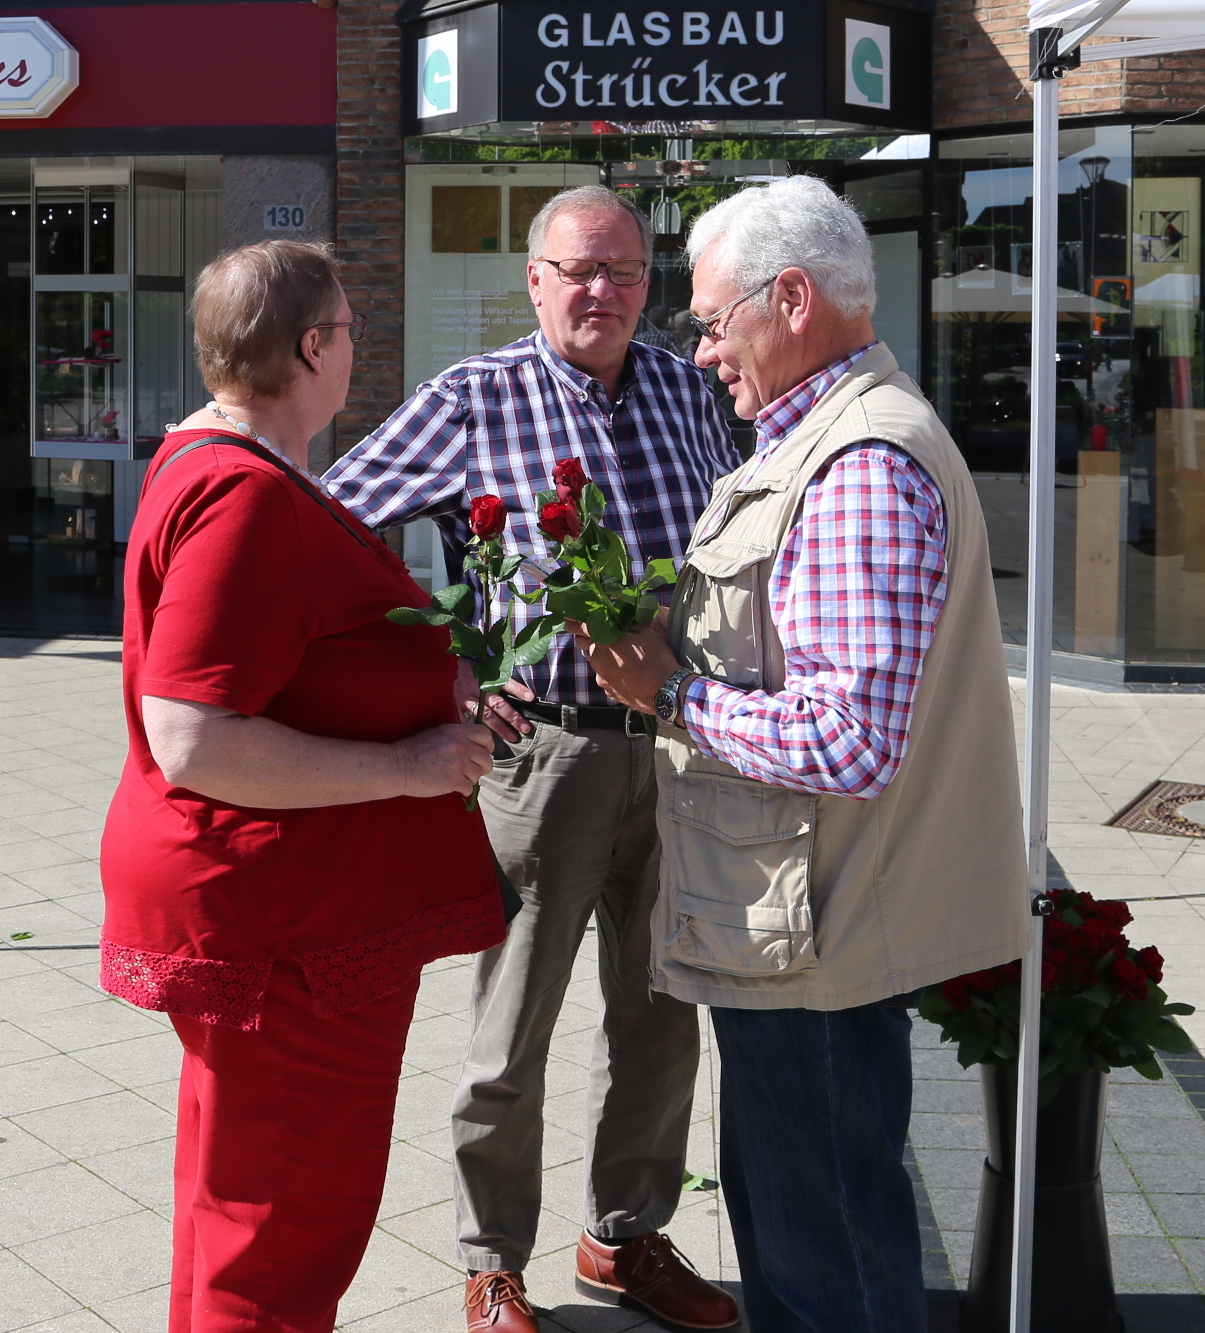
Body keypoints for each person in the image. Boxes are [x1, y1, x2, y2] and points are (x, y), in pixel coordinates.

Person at [574, 176, 1030, 1333]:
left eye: (710, 320)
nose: (700, 349)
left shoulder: (856, 463)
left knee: (827, 1267)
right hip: (797, 917)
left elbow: (848, 735)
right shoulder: (829, 436)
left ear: (790, 300)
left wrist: (668, 690)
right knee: (802, 1240)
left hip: (818, 928)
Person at [324, 186, 741, 1333]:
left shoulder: (687, 389)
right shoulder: (473, 397)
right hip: (540, 759)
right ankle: (490, 1256)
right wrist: (444, 667)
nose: (599, 291)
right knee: (512, 1030)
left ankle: (624, 1238)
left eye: (621, 271)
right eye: (578, 270)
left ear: (647, 283)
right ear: (534, 280)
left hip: (676, 752)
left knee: (660, 1018)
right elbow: (327, 527)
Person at [97, 240, 506, 1333]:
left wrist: (421, 681)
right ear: (313, 345)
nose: (355, 348)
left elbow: (292, 665)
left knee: (239, 1205)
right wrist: (407, 764)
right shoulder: (244, 495)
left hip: (283, 919)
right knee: (282, 1221)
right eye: (350, 330)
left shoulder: (233, 470)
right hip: (285, 931)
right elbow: (192, 734)